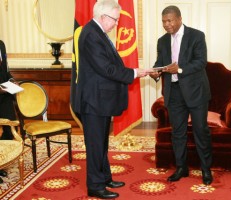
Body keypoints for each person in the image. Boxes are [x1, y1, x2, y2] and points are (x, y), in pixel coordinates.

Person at [74, 0, 148, 199]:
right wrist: (133, 73)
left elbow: (108, 65)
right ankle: (95, 186)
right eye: (115, 20)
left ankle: (105, 177)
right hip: (94, 101)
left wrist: (132, 72)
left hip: (100, 100)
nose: (116, 24)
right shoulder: (90, 34)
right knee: (95, 145)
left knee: (102, 143)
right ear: (103, 16)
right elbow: (106, 68)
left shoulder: (98, 33)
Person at [150, 5, 213, 185]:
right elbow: (160, 63)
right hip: (174, 92)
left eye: (169, 20)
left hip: (196, 91)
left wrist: (181, 69)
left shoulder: (197, 36)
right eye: (163, 21)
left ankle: (206, 169)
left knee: (201, 131)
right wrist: (156, 72)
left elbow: (201, 62)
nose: (166, 24)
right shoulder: (162, 41)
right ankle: (181, 168)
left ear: (179, 19)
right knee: (178, 133)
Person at [0, 40, 18, 184]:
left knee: (9, 129)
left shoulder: (1, 44)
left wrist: (11, 79)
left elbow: (5, 70)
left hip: (4, 96)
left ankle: (2, 160)